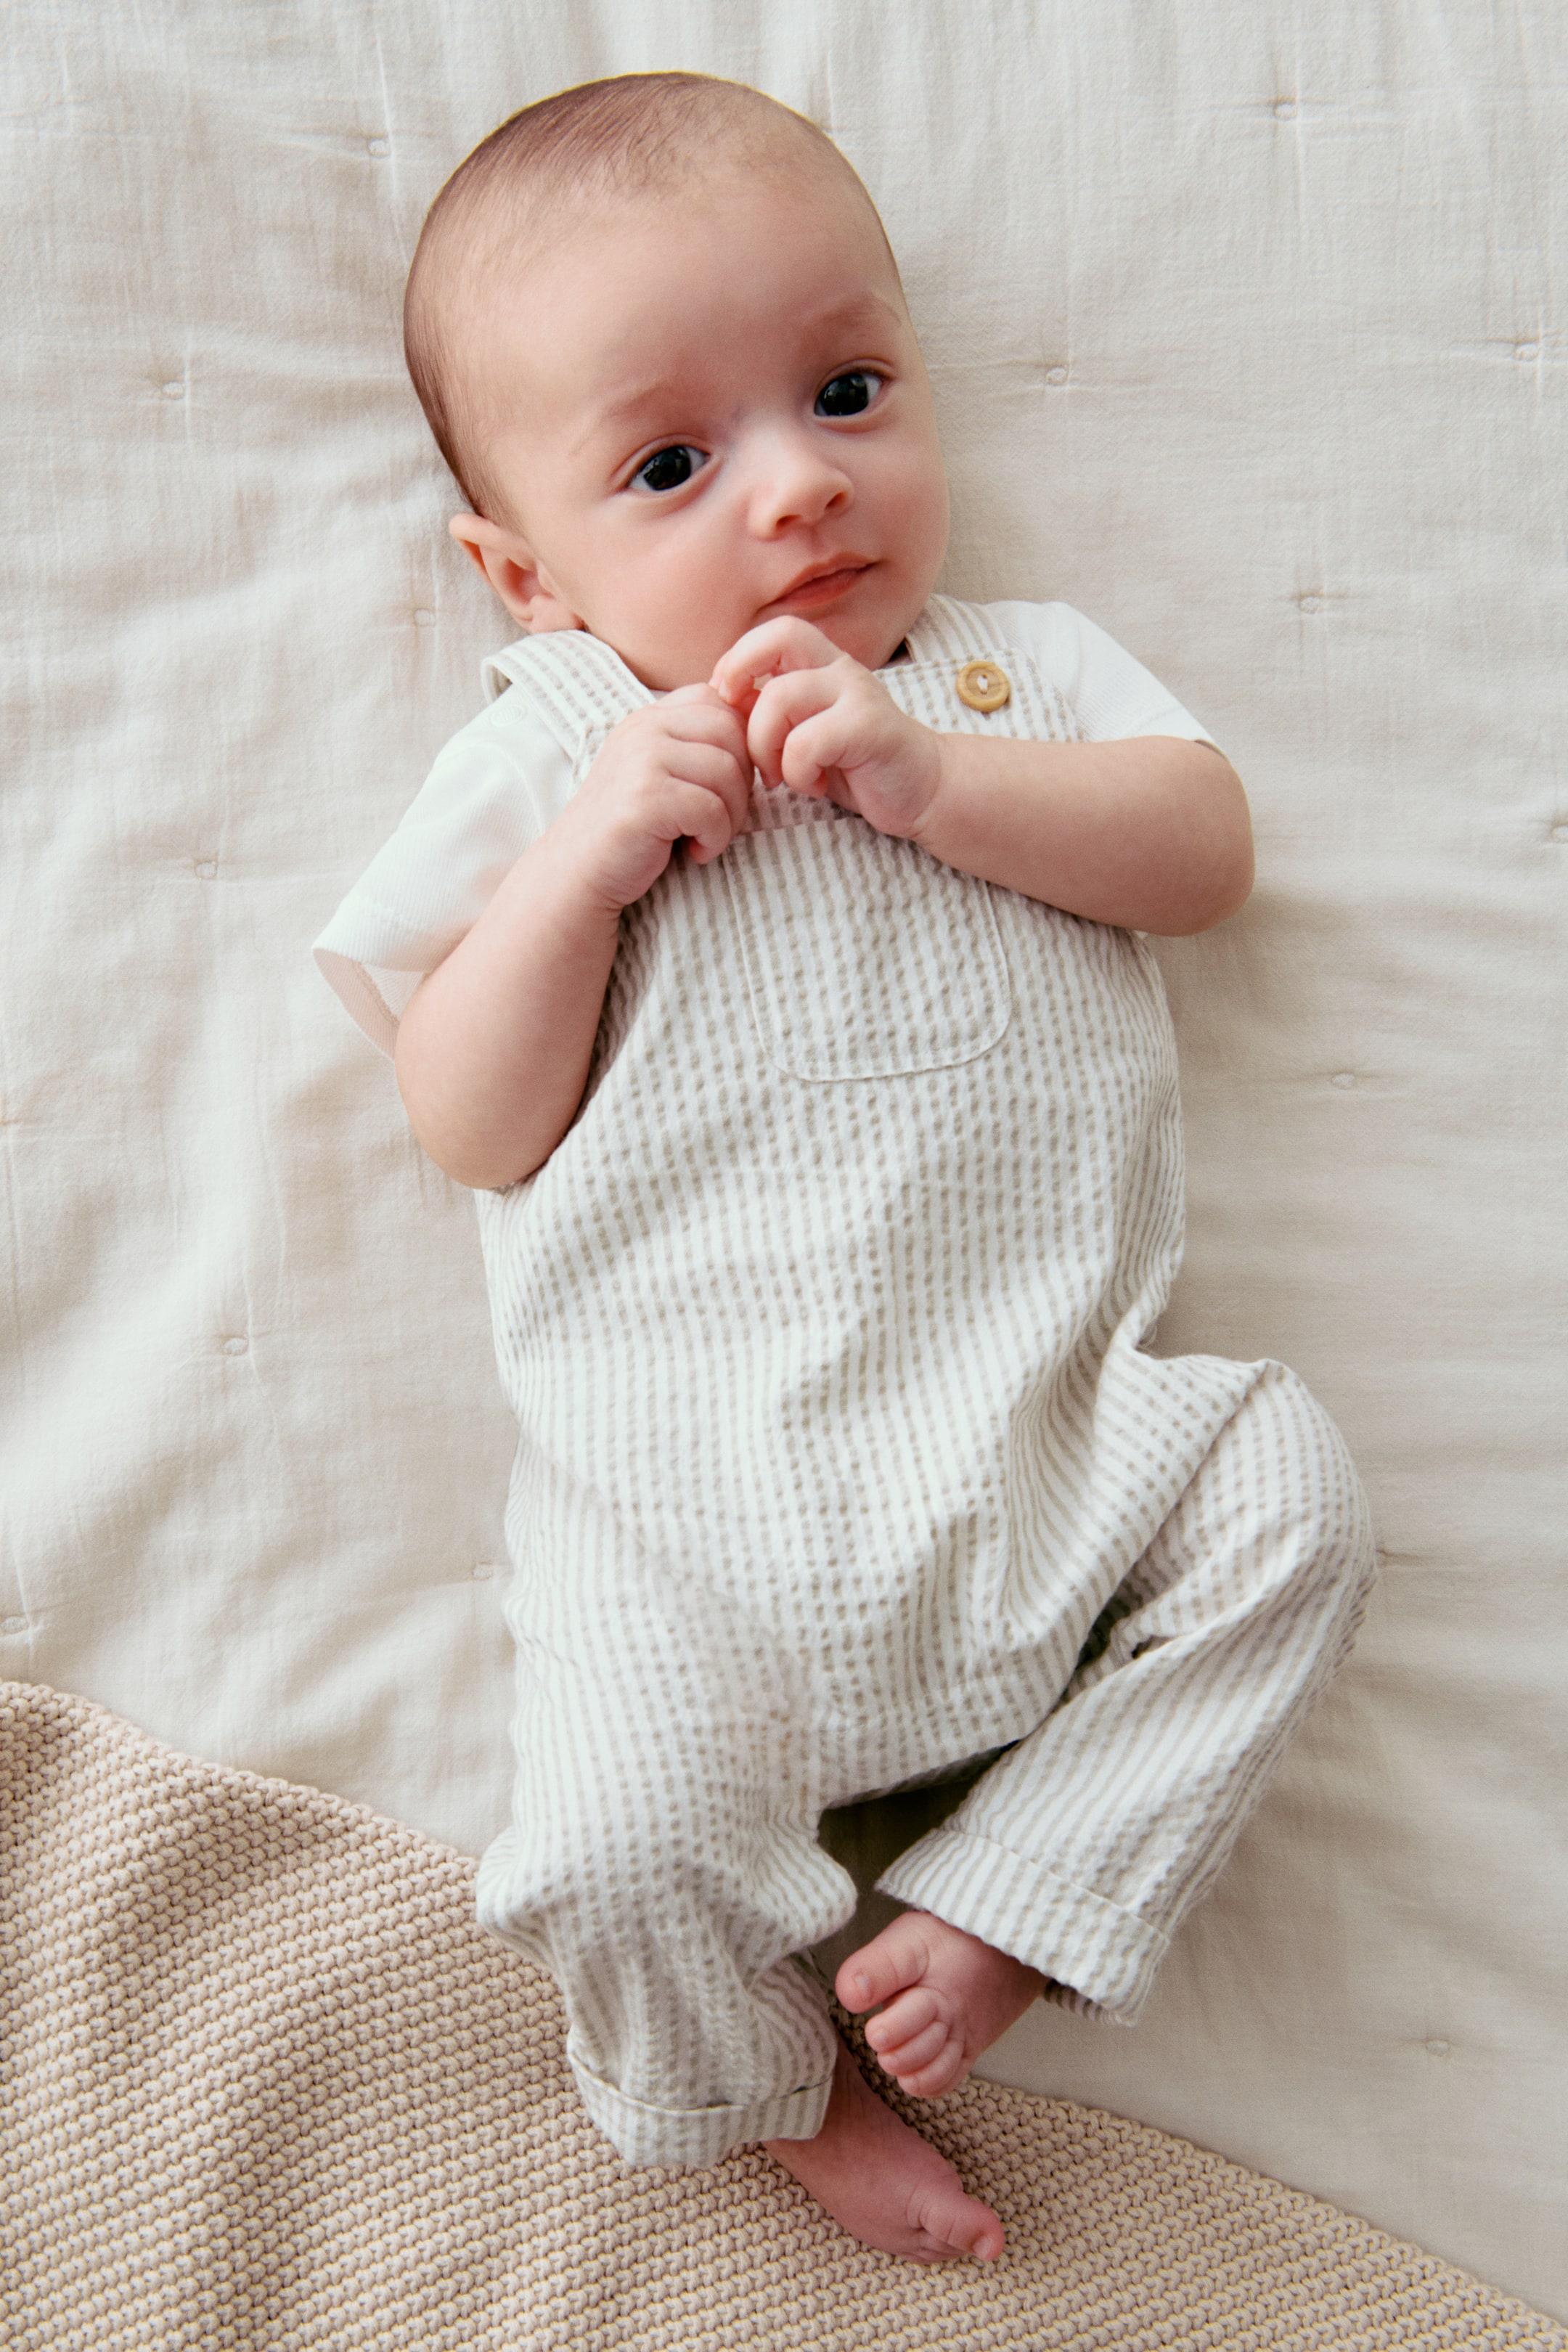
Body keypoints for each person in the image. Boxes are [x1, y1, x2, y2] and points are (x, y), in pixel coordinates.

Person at [315, 70, 1375, 2265]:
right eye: (674, 464)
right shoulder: (547, 756)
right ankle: (750, 2078)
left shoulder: (1013, 679)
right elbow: (462, 1109)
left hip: (1066, 1461)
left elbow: (1202, 851)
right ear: (529, 572)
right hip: (691, 1541)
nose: (801, 490)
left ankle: (1013, 1895)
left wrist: (935, 780)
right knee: (609, 1844)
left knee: (1296, 1498)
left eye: (850, 388)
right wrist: (591, 866)